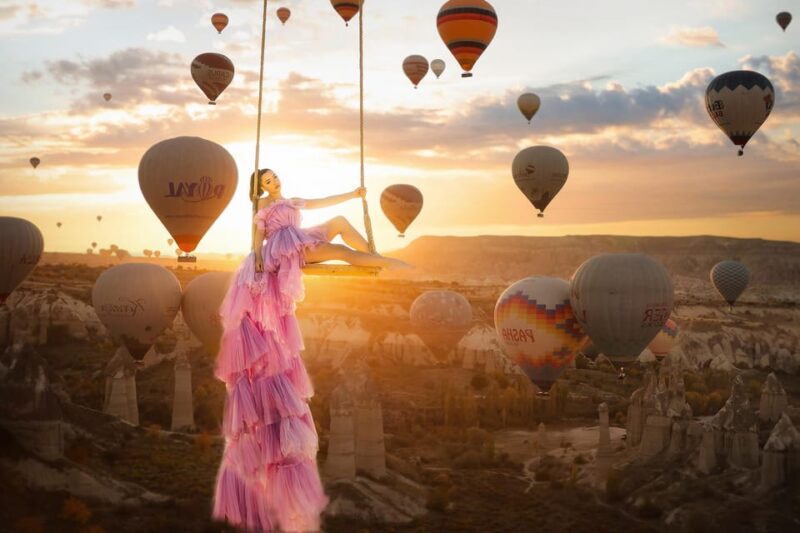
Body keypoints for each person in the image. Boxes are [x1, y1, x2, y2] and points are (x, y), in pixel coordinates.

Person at [212, 169, 408, 532]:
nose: (276, 181)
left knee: (338, 222)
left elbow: (320, 203)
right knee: (339, 251)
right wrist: (257, 262)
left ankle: (376, 254)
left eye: (275, 177)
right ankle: (383, 261)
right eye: (268, 179)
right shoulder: (263, 209)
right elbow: (257, 241)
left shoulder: (291, 201)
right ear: (260, 187)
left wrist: (352, 192)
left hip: (299, 241)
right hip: (281, 253)